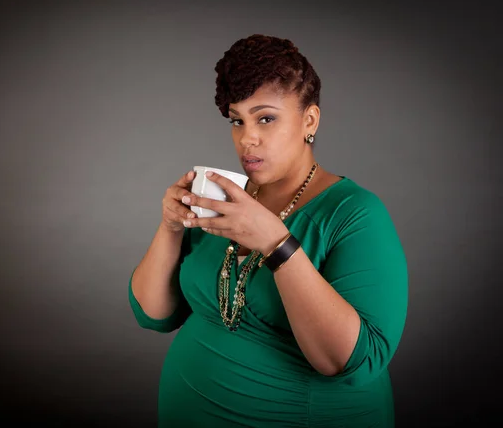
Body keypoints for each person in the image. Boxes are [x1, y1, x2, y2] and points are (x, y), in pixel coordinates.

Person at [128, 34, 408, 428]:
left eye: (266, 118)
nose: (247, 138)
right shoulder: (225, 199)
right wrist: (171, 227)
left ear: (309, 120)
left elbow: (350, 362)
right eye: (236, 121)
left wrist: (277, 244)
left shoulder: (355, 213)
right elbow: (152, 314)